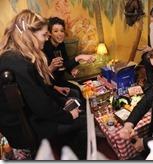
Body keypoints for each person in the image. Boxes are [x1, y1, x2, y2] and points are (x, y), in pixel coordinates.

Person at [0, 9, 87, 159]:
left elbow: (41, 91)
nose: (46, 39)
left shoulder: (17, 57)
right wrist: (67, 115)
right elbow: (40, 105)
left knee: (74, 107)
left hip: (28, 119)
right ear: (29, 34)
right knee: (83, 122)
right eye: (44, 35)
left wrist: (62, 102)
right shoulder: (17, 62)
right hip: (22, 129)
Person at [43, 17, 95, 107]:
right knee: (76, 94)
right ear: (50, 33)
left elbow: (64, 63)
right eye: (55, 31)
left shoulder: (61, 44)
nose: (60, 34)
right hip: (50, 85)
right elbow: (43, 74)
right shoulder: (45, 47)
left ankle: (88, 113)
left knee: (78, 90)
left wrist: (71, 70)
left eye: (62, 31)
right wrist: (79, 57)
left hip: (60, 81)